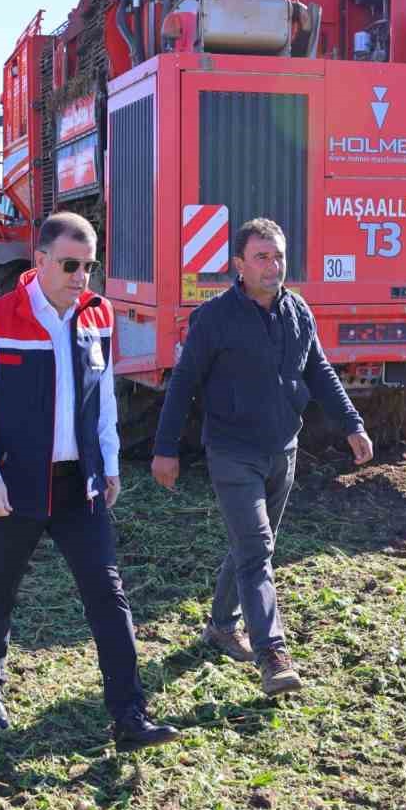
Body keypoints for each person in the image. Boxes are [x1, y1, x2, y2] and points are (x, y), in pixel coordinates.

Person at [0, 211, 180, 749]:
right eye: (71, 264)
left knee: (109, 595)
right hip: (17, 485)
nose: (82, 276)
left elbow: (101, 399)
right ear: (40, 261)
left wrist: (110, 463)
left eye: (90, 265)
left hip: (80, 485)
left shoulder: (96, 317)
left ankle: (130, 715)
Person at [151, 217, 373, 695]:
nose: (273, 266)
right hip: (232, 450)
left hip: (282, 449)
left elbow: (319, 370)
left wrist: (352, 423)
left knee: (252, 545)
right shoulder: (213, 319)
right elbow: (183, 384)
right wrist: (165, 449)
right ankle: (272, 654)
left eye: (278, 256)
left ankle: (219, 626)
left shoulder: (298, 312)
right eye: (261, 257)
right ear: (239, 265)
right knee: (257, 548)